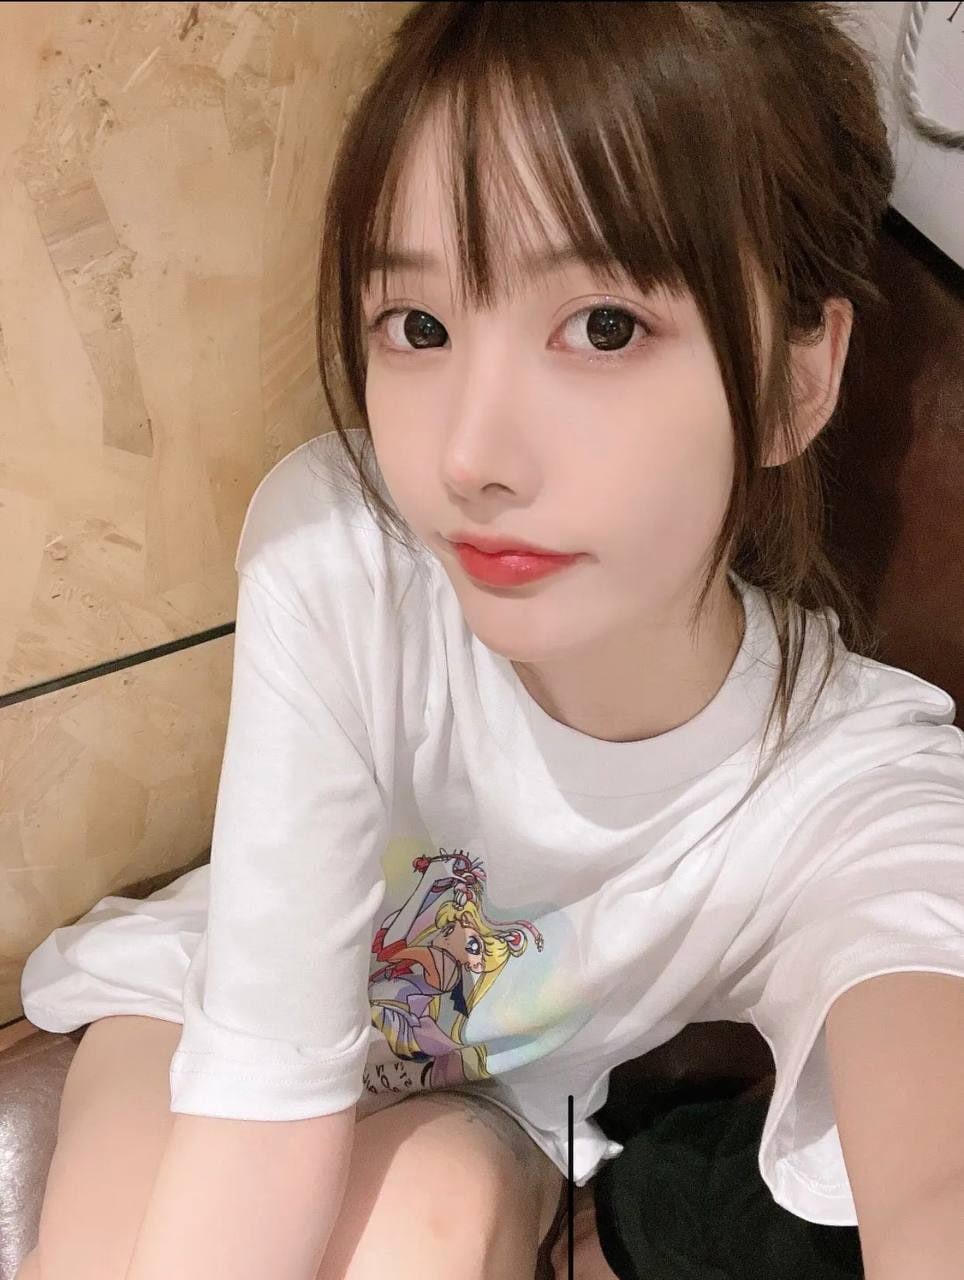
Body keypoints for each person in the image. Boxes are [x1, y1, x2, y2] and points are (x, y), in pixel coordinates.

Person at [17, 3, 964, 1279]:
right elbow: (256, 1099)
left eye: (604, 326)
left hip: (492, 1104)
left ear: (797, 378)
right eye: (417, 327)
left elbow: (937, 1151)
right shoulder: (344, 552)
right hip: (207, 1010)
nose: (468, 457)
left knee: (434, 1215)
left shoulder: (845, 780)